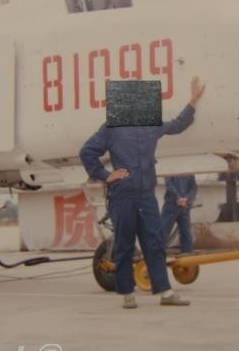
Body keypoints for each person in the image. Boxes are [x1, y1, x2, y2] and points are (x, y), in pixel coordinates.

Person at [79, 76, 206, 309]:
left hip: (146, 196)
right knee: (124, 245)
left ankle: (165, 292)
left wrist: (194, 99)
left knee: (155, 243)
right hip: (122, 197)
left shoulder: (151, 125)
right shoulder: (111, 128)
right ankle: (127, 294)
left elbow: (178, 125)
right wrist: (106, 175)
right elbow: (87, 152)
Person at [161, 175, 197, 254]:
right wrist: (186, 199)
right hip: (184, 205)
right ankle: (188, 257)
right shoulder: (189, 170)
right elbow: (194, 188)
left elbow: (169, 184)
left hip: (172, 204)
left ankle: (157, 256)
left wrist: (179, 198)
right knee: (186, 233)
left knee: (163, 232)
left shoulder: (171, 167)